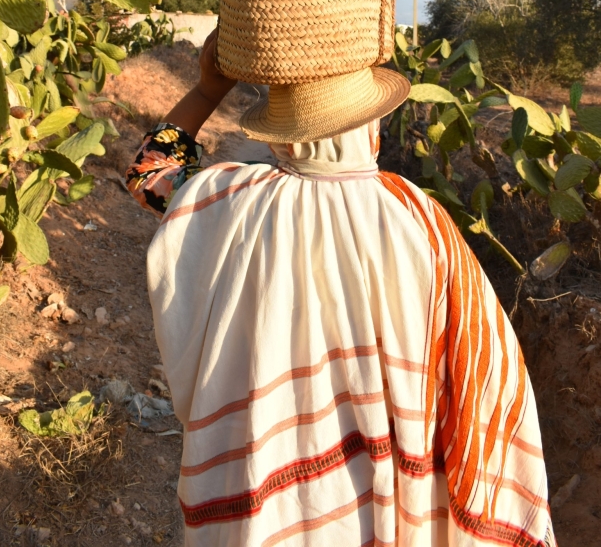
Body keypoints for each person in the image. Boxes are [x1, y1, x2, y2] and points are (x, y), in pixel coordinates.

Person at [126, 30, 555, 547]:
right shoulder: (418, 218)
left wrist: (207, 88)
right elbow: (483, 370)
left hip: (269, 504)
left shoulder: (230, 200)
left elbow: (148, 174)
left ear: (280, 124)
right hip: (387, 501)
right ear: (369, 122)